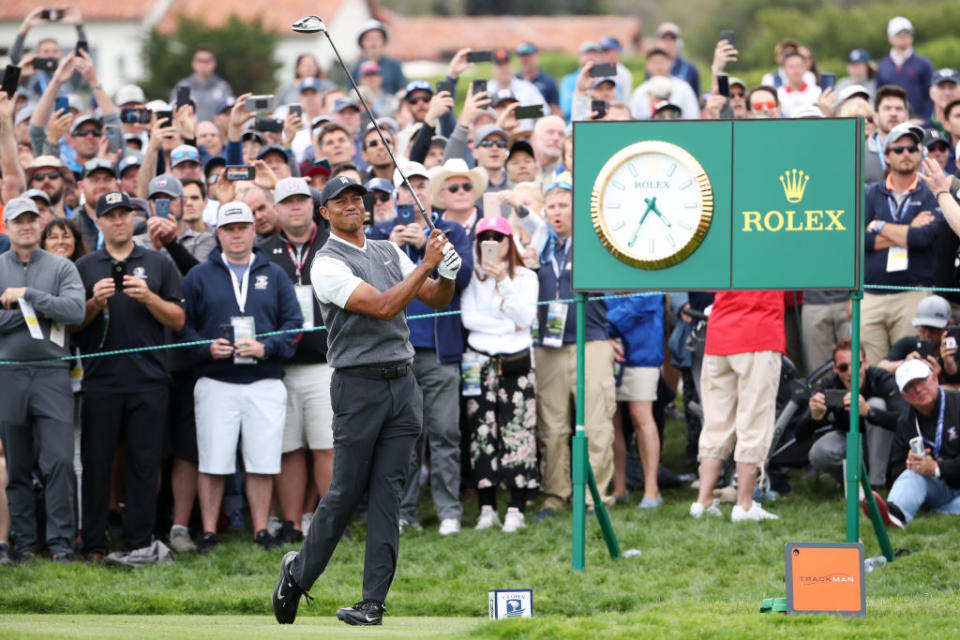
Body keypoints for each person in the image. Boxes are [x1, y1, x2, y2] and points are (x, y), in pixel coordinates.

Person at [271, 177, 461, 627]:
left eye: (358, 198)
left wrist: (446, 271)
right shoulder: (326, 264)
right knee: (344, 491)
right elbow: (381, 306)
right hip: (357, 387)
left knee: (387, 496)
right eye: (341, 201)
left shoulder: (389, 251)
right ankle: (297, 575)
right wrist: (426, 265)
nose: (353, 205)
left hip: (402, 384)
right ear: (325, 213)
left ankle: (372, 603)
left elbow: (433, 296)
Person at [179, 200, 303, 553]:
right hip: (216, 380)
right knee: (213, 460)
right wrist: (206, 348)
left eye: (243, 227)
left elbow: (294, 325)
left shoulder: (274, 273)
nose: (236, 234)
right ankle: (208, 532)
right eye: (229, 229)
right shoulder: (199, 275)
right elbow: (182, 328)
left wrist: (267, 348)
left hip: (264, 379)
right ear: (218, 233)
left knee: (263, 459)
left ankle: (261, 529)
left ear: (253, 230)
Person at [74, 191, 185, 563]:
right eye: (112, 215)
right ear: (100, 222)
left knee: (144, 465)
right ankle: (92, 543)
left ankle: (139, 542)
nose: (120, 221)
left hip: (149, 380)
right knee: (97, 464)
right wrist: (94, 303)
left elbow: (178, 319)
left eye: (125, 215)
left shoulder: (156, 262)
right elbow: (74, 323)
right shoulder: (86, 265)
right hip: (101, 381)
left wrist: (150, 298)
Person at [0, 197, 85, 562]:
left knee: (60, 461)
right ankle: (24, 546)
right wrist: (38, 310)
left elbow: (76, 311)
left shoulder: (61, 267)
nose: (26, 226)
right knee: (17, 465)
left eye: (32, 220)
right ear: (6, 226)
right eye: (18, 221)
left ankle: (61, 546)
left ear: (40, 224)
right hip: (8, 374)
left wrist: (27, 296)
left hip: (52, 374)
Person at [533, 179, 615, 519]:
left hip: (591, 340)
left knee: (595, 422)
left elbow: (623, 292)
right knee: (552, 426)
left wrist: (616, 333)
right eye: (551, 206)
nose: (557, 213)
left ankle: (595, 497)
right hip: (548, 346)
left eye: (563, 206)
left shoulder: (596, 244)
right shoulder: (538, 247)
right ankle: (556, 495)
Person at [260, 178, 333, 542]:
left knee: (325, 446)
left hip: (325, 362)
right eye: (287, 202)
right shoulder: (265, 250)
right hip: (282, 367)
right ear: (277, 209)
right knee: (288, 448)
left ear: (314, 205)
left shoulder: (333, 243)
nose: (295, 207)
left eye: (302, 200)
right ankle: (291, 523)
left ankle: (331, 523)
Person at [460, 216, 539, 532]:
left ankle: (516, 508)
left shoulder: (525, 278)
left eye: (498, 237)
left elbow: (526, 316)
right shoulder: (472, 278)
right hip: (478, 361)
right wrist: (506, 321)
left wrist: (504, 283)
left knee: (518, 430)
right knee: (481, 434)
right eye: (484, 238)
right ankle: (487, 507)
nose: (490, 243)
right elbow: (469, 321)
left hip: (516, 361)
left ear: (510, 242)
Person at [690, 290, 784, 522]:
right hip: (759, 332)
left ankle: (703, 502)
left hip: (720, 332)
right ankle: (744, 505)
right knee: (753, 423)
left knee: (715, 425)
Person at [862, 123, 942, 367]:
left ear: (920, 154)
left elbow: (924, 237)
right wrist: (909, 228)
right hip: (871, 295)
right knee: (873, 374)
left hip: (912, 294)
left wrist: (878, 225)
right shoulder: (870, 193)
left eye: (912, 148)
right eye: (899, 149)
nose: (906, 153)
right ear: (886, 156)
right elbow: (860, 240)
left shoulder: (931, 191)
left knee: (912, 368)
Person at [867, 359, 960, 528]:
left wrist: (937, 468)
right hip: (937, 488)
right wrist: (910, 465)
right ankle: (895, 515)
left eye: (921, 381)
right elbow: (896, 472)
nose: (918, 390)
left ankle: (932, 509)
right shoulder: (905, 422)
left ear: (934, 379)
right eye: (910, 387)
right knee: (912, 475)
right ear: (904, 396)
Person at [801, 340, 906, 486]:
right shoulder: (830, 385)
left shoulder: (881, 378)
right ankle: (850, 482)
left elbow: (905, 419)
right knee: (819, 453)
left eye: (856, 364)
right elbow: (799, 434)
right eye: (843, 367)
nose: (851, 372)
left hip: (886, 449)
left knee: (877, 404)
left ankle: (876, 485)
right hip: (852, 444)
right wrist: (815, 415)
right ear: (835, 368)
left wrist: (870, 412)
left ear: (866, 363)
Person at [607, 293, 665, 508]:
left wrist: (603, 325)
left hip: (643, 350)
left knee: (640, 416)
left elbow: (645, 300)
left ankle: (652, 490)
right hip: (608, 348)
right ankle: (619, 488)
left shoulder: (650, 265)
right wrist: (603, 333)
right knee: (610, 420)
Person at [875, 17, 934, 120]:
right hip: (891, 120)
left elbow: (930, 96)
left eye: (907, 33)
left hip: (918, 121)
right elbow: (878, 97)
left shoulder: (924, 64)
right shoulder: (882, 65)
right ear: (890, 38)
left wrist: (924, 119)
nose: (903, 36)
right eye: (899, 34)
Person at [170, 47, 234, 123]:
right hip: (189, 133)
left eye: (207, 61)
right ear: (193, 63)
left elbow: (230, 115)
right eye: (200, 61)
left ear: (214, 63)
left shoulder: (223, 87)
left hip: (215, 134)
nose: (203, 64)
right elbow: (176, 115)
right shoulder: (183, 87)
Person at [864, 86, 910, 184]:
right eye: (887, 108)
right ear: (875, 117)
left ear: (906, 116)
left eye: (898, 109)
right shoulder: (859, 154)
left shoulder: (919, 153)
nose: (893, 113)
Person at [351, 20, 407, 95]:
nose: (373, 42)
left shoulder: (394, 66)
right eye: (369, 38)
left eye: (377, 38)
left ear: (383, 41)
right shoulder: (355, 68)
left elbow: (403, 90)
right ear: (362, 42)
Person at [515, 42, 561, 116]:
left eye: (529, 55)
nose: (526, 59)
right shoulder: (513, 81)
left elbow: (555, 110)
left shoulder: (548, 81)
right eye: (522, 56)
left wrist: (518, 112)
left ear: (536, 56)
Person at [654, 23, 699, 97]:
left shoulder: (690, 69)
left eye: (672, 39)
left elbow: (695, 98)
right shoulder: (653, 67)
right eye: (664, 39)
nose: (668, 43)